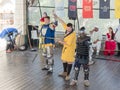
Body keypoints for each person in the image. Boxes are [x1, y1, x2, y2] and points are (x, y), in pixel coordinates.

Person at [54, 14, 76, 80]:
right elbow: (62, 22)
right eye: (67, 27)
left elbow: (68, 44)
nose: (68, 28)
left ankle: (68, 75)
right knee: (64, 60)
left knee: (69, 61)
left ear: (72, 28)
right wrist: (57, 17)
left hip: (70, 49)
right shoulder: (67, 29)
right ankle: (64, 72)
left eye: (69, 28)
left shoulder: (73, 34)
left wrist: (60, 41)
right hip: (65, 49)